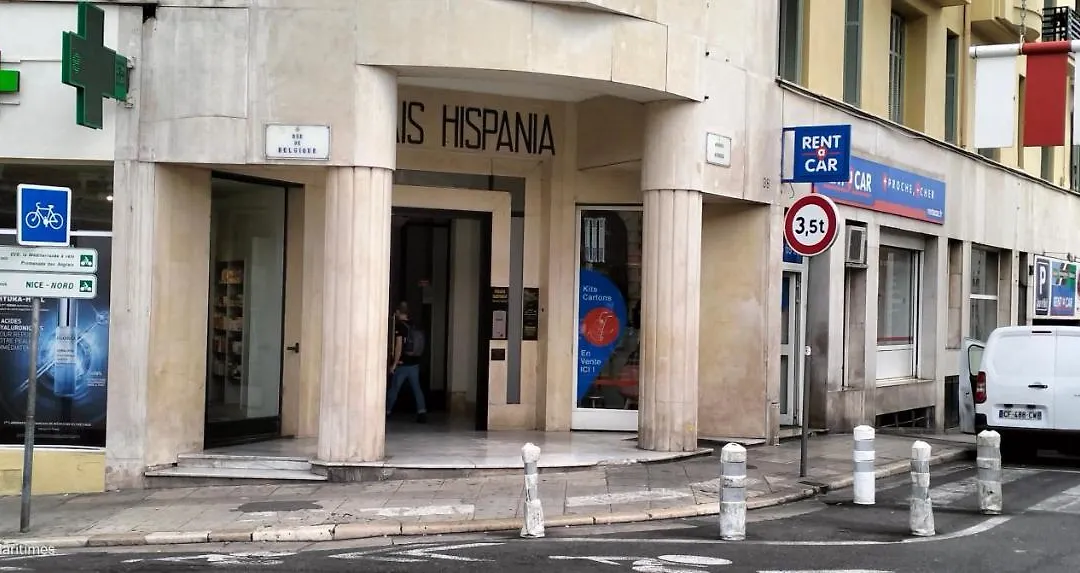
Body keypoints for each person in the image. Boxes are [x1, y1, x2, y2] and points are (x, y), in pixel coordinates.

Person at [387, 302, 427, 423]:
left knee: (394, 388)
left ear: (399, 312)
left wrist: (394, 364)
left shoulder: (400, 326)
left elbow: (399, 347)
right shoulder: (414, 325)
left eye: (396, 312)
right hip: (414, 363)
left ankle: (387, 410)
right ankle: (422, 411)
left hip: (403, 364)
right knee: (417, 388)